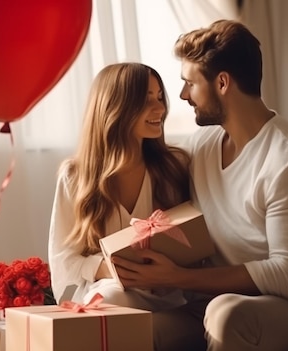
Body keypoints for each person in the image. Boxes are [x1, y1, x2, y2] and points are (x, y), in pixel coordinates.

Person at [112, 19, 288, 350]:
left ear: (222, 83)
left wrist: (177, 278)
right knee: (135, 332)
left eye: (189, 82)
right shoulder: (202, 145)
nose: (183, 95)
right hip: (212, 300)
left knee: (225, 314)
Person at [47, 62, 191, 311]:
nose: (161, 108)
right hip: (109, 293)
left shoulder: (174, 166)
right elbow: (63, 260)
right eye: (147, 100)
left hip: (169, 297)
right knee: (110, 299)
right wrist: (110, 269)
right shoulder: (75, 177)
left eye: (159, 97)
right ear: (116, 108)